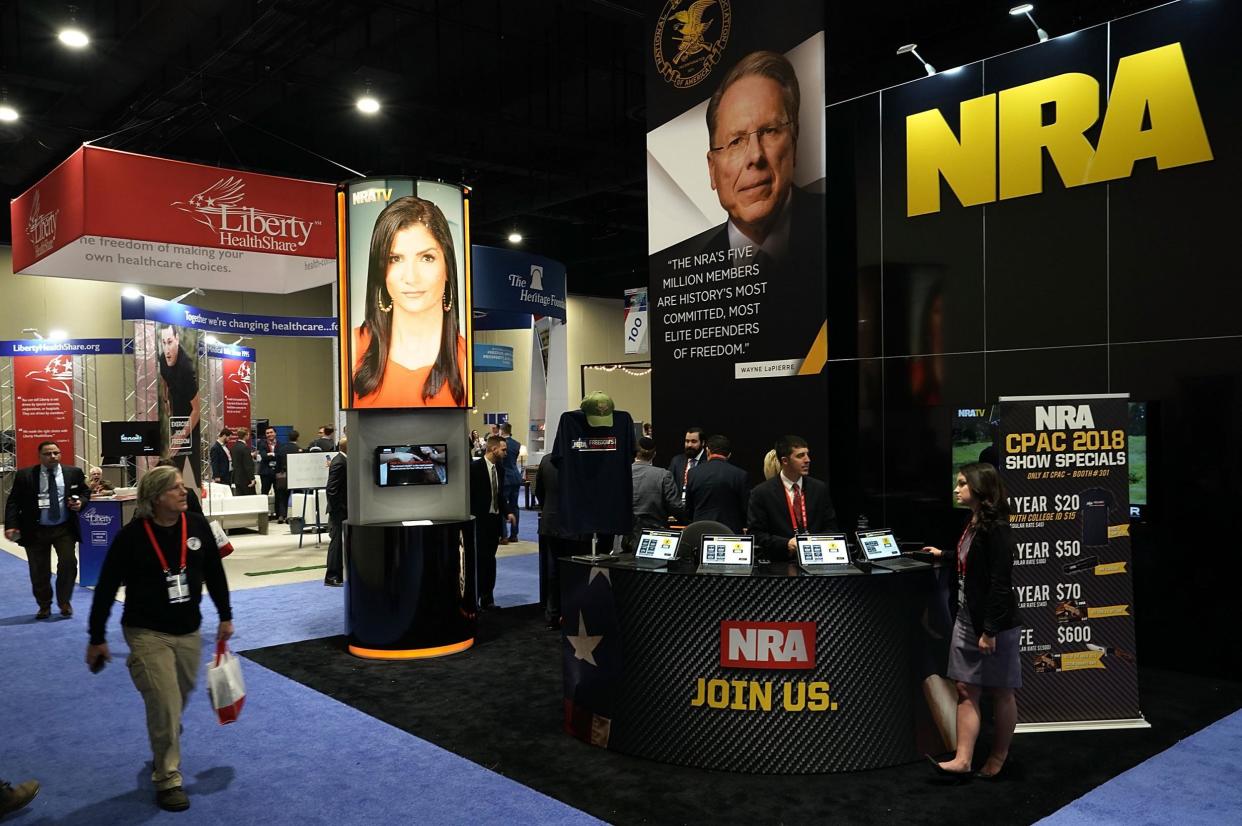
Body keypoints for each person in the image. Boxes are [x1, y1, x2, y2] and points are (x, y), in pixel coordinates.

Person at [86, 465, 233, 813]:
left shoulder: (196, 526)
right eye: (175, 489)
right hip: (146, 632)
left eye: (183, 487)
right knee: (165, 703)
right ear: (154, 498)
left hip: (189, 630)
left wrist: (225, 615)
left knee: (176, 699)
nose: (184, 492)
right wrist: (96, 637)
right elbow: (106, 588)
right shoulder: (132, 537)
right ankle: (167, 777)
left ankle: (163, 737)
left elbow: (214, 571)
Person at [924, 463, 1021, 780]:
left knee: (1002, 690)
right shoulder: (974, 522)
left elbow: (999, 583)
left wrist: (990, 630)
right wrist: (945, 555)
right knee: (965, 687)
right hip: (967, 618)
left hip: (994, 625)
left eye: (963, 483)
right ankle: (963, 759)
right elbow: (972, 565)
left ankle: (998, 755)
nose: (956, 489)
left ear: (980, 489)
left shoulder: (998, 529)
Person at [351, 195, 466, 408]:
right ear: (380, 270)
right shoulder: (353, 347)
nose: (411, 277)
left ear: (448, 265)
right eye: (395, 259)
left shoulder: (465, 361)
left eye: (426, 258)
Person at [4, 440, 90, 619]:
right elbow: (13, 501)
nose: (53, 456)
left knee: (68, 563)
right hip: (35, 529)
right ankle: (44, 605)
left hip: (64, 527)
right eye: (48, 454)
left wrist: (81, 502)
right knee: (39, 570)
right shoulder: (25, 475)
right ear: (40, 456)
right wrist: (11, 525)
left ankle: (64, 601)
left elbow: (84, 492)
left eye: (56, 453)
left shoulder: (73, 473)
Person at [747, 435, 836, 562]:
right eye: (800, 456)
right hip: (779, 564)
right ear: (785, 461)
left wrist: (814, 541)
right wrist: (786, 544)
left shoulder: (819, 489)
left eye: (807, 454)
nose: (807, 460)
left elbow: (831, 528)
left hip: (817, 560)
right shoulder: (761, 493)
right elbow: (756, 534)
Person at [534, 452, 591, 629]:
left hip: (551, 523)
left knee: (553, 571)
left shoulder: (546, 460)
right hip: (575, 523)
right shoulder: (581, 460)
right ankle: (572, 615)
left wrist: (548, 509)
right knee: (576, 571)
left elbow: (539, 491)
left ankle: (553, 614)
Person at [467, 435, 516, 611]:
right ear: (493, 449)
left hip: (494, 522)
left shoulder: (500, 469)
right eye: (503, 449)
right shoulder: (474, 469)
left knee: (490, 561)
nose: (505, 453)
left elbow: (500, 495)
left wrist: (508, 512)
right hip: (478, 522)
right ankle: (476, 599)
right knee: (479, 561)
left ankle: (488, 599)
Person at [157, 324, 202, 490]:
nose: (167, 348)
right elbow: (165, 379)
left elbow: (197, 410)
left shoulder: (186, 368)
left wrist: (182, 435)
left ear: (177, 340)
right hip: (175, 420)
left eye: (170, 342)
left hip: (191, 422)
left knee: (189, 473)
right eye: (163, 342)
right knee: (172, 467)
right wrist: (165, 399)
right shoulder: (163, 358)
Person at [685, 434, 749, 533]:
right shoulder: (740, 475)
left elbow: (689, 508)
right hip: (730, 533)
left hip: (701, 531)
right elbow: (745, 509)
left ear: (708, 451)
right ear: (729, 455)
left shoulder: (693, 473)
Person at [627, 436, 682, 551]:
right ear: (654, 454)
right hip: (656, 538)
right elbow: (675, 507)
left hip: (625, 539)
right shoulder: (663, 475)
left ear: (636, 452)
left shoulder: (622, 474)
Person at [324, 437, 347, 586]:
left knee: (339, 542)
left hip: (342, 508)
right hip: (339, 510)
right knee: (337, 543)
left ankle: (337, 574)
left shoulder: (342, 460)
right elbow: (331, 489)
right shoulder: (339, 462)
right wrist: (337, 509)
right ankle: (332, 576)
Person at [668, 426, 707, 502]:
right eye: (687, 441)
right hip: (679, 507)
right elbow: (670, 486)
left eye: (693, 441)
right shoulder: (676, 461)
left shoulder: (708, 461)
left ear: (702, 443)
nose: (689, 445)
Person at [499, 422, 523, 543]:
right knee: (515, 507)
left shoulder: (501, 444)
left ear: (502, 431)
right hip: (516, 477)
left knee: (503, 506)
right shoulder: (517, 444)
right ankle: (514, 535)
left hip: (505, 478)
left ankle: (503, 535)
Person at [230, 427, 256, 496]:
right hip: (246, 479)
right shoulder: (245, 448)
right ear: (246, 435)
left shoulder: (234, 447)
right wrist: (252, 479)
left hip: (237, 478)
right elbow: (248, 465)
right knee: (250, 500)